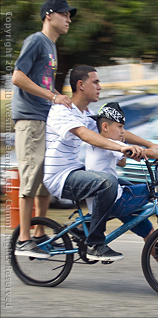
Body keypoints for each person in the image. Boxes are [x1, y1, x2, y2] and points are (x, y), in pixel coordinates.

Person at [43, 64, 158, 262]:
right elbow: (85, 135)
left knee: (127, 186)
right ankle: (95, 243)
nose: (100, 86)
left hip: (77, 171)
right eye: (95, 82)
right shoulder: (62, 111)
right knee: (108, 182)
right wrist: (120, 147)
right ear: (81, 85)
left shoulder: (86, 114)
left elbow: (115, 130)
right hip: (60, 177)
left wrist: (149, 144)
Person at [85, 102, 158, 288]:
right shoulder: (109, 143)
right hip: (116, 201)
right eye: (120, 127)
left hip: (109, 202)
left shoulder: (104, 144)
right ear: (105, 127)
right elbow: (142, 153)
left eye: (123, 127)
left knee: (147, 231)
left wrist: (130, 149)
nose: (123, 131)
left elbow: (121, 161)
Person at [12, 0, 77, 258]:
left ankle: (40, 234)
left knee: (44, 180)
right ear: (49, 16)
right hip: (29, 120)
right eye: (65, 14)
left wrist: (59, 97)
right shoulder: (37, 41)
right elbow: (18, 76)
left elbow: (44, 83)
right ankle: (24, 239)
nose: (69, 19)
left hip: (44, 118)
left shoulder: (51, 46)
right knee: (30, 177)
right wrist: (52, 98)